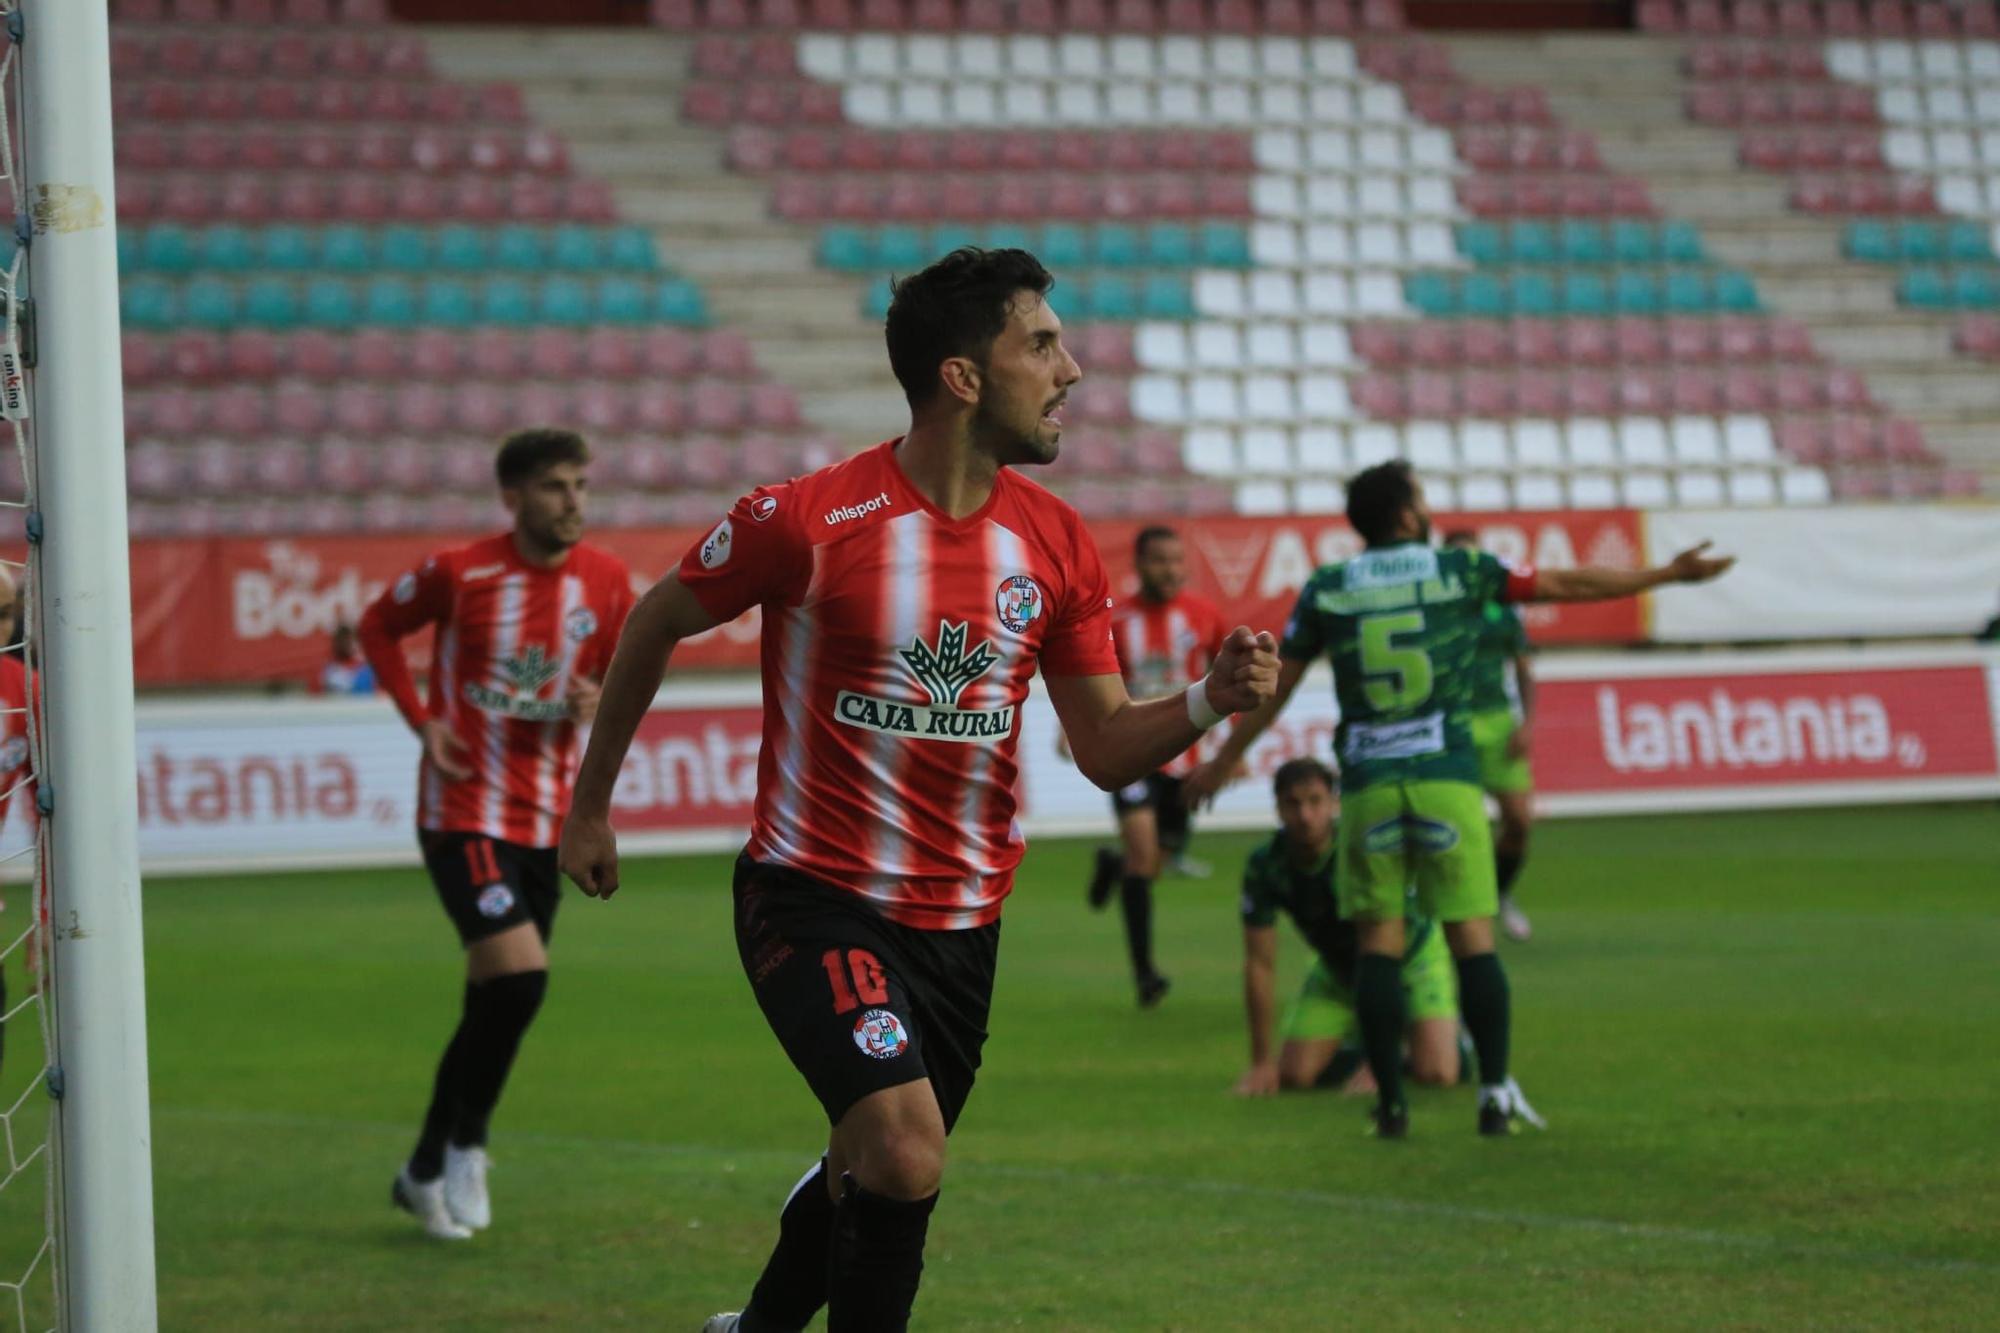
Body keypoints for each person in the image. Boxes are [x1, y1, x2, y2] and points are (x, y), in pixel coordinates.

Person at [556, 248, 1279, 1333]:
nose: (1069, 368)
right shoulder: (803, 521)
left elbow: (1103, 744)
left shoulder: (1054, 540)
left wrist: (1207, 700)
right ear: (962, 376)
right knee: (902, 1148)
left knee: (870, 1161)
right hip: (814, 896)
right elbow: (656, 618)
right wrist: (589, 803)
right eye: (1039, 343)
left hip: (963, 927)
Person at [1187, 460, 1731, 1138]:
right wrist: (1666, 575)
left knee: (1378, 943)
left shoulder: (1327, 587)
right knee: (1472, 936)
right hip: (1446, 776)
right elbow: (1564, 582)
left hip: (1370, 788)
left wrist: (1221, 761)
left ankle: (1389, 1104)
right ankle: (1496, 1093)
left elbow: (1278, 689)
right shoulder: (1460, 570)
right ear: (1410, 515)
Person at [356, 428, 634, 1240]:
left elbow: (619, 667)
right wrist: (423, 721)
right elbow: (377, 628)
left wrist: (595, 695)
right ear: (513, 497)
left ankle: (422, 1167)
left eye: (581, 483)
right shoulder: (460, 571)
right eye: (555, 486)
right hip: (462, 808)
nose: (573, 500)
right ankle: (469, 1145)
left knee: (499, 998)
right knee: (518, 978)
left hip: (545, 820)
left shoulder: (607, 579)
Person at [1234, 757, 1460, 1098]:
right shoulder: (1265, 865)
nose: (1305, 816)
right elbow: (1259, 964)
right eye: (1292, 804)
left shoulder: (1359, 852)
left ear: (1334, 803)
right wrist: (1261, 1062)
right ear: (1277, 809)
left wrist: (1380, 1060)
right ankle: (1366, 1035)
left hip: (1410, 962)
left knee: (1438, 1072)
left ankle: (1441, 1042)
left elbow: (1390, 941)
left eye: (1315, 802)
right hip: (1337, 971)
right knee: (1294, 1075)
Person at [1081, 524, 1227, 1007]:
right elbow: (1091, 684)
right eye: (1160, 560)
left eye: (1176, 559)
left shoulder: (1205, 617)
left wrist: (1229, 752)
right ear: (1140, 565)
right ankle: (1145, 973)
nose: (1170, 569)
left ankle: (1113, 863)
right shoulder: (1118, 621)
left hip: (1186, 756)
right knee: (1146, 858)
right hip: (1135, 752)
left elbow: (1227, 680)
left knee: (1153, 862)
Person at [1440, 530, 1535, 943]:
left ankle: (1500, 893)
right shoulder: (1437, 608)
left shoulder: (1502, 608)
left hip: (1497, 721)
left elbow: (1523, 668)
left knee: (1518, 822)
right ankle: (1459, 910)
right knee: (1461, 828)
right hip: (1454, 721)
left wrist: (1527, 723)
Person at [319, 622, 377, 696]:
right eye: (345, 641)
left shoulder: (367, 670)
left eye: (354, 640)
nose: (351, 645)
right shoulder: (330, 670)